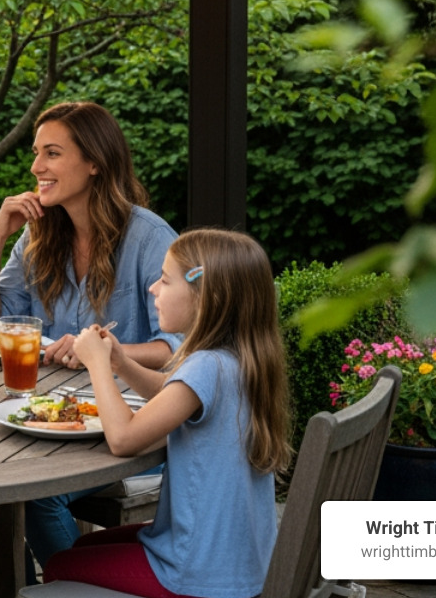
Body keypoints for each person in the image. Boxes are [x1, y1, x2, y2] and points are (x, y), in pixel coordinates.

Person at [0, 101, 180, 581]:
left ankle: (73, 590)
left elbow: (176, 349)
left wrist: (101, 352)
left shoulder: (148, 238)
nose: (37, 167)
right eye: (37, 153)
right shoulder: (40, 235)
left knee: (39, 495)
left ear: (94, 162)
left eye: (53, 153)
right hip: (47, 420)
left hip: (128, 431)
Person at [44, 229, 291, 598]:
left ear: (206, 297)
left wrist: (96, 364)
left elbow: (124, 440)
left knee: (59, 565)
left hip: (197, 573)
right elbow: (169, 392)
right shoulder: (241, 360)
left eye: (164, 279)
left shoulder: (206, 366)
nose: (152, 290)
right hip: (239, 564)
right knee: (82, 549)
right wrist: (120, 362)